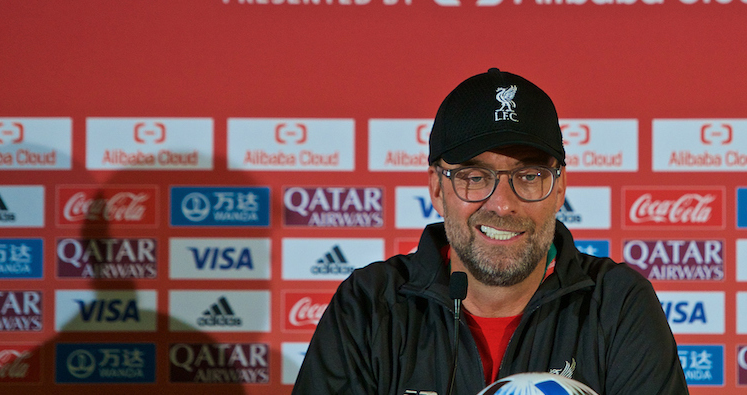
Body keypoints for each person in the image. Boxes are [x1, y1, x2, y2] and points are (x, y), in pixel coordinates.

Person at [292, 68, 689, 395]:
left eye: (529, 175)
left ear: (560, 187)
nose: (502, 203)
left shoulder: (617, 304)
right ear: (436, 188)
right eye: (475, 176)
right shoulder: (369, 304)